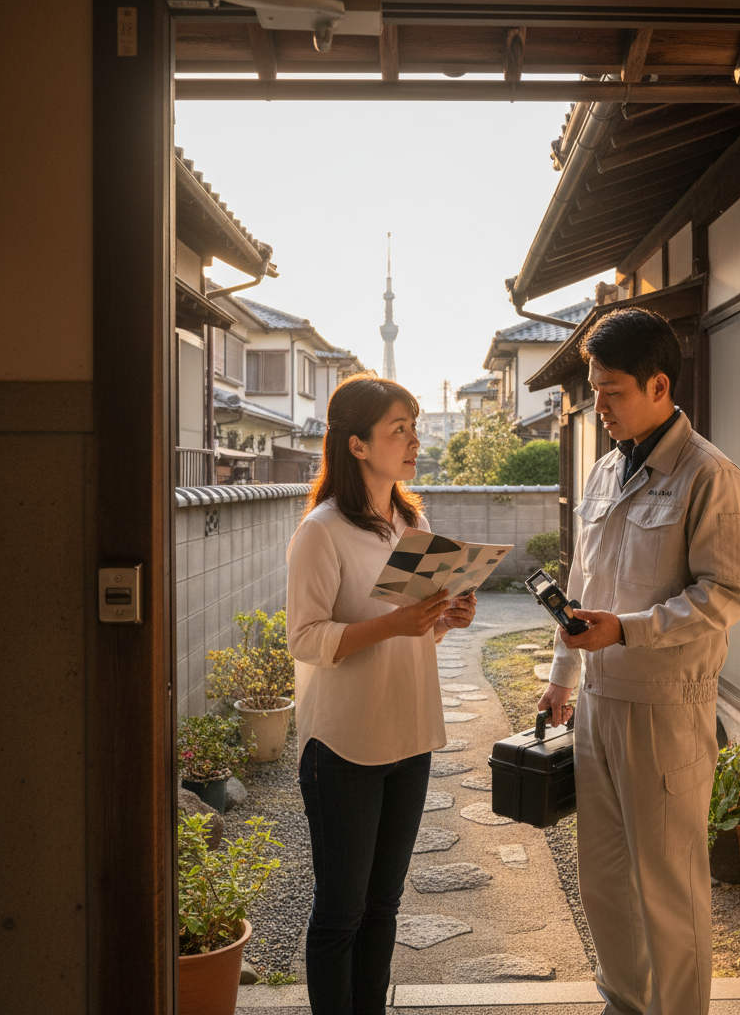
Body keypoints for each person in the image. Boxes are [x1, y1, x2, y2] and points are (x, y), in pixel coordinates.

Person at [538, 308, 740, 1015]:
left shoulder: (710, 477)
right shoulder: (604, 470)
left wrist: (626, 632)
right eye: (593, 390)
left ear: (660, 384)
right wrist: (561, 678)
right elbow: (584, 584)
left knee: (668, 885)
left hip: (665, 707)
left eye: (611, 392)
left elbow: (723, 597)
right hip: (598, 703)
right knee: (602, 876)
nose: (596, 406)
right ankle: (624, 1002)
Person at [285, 374, 476, 1015]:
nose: (415, 441)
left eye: (414, 427)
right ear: (358, 445)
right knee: (341, 910)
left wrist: (445, 618)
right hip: (343, 742)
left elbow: (414, 634)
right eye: (400, 429)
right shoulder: (322, 530)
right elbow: (306, 639)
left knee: (385, 905)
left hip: (408, 733)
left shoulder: (410, 519)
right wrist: (394, 623)